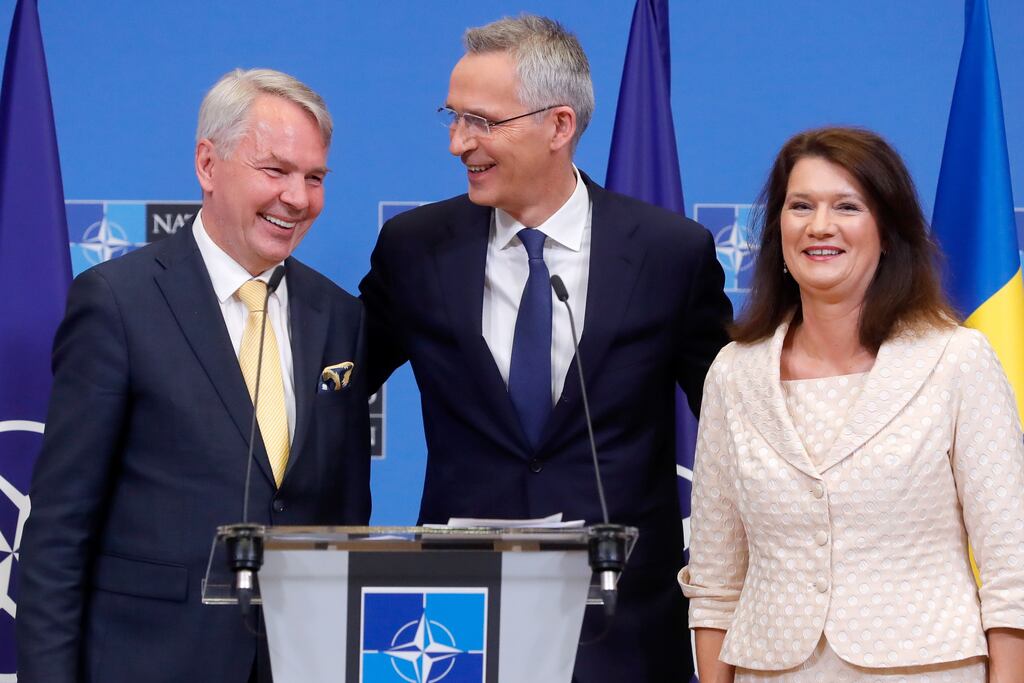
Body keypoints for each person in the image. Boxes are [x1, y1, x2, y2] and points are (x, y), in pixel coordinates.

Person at [359, 14, 731, 682]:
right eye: (452, 116)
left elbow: (737, 421)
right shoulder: (414, 249)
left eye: (480, 121)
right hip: (449, 628)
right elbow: (331, 385)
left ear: (559, 125)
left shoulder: (670, 253)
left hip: (623, 628)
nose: (456, 143)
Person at [17, 68, 371, 683]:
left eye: (314, 178)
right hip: (151, 662)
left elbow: (347, 516)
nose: (298, 197)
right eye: (276, 170)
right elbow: (58, 532)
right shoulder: (117, 302)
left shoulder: (339, 316)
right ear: (208, 164)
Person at [680, 127, 1024, 682]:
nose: (820, 226)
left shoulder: (956, 361)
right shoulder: (734, 374)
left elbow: (1015, 574)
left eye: (846, 206)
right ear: (777, 231)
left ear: (886, 230)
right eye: (801, 206)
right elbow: (717, 582)